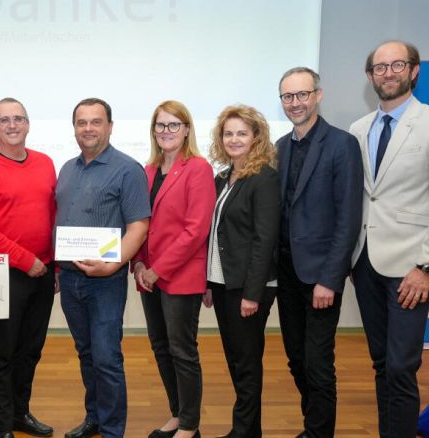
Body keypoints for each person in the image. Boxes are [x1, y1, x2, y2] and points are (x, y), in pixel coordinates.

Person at [349, 40, 429, 437]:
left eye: (397, 65)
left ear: (414, 70)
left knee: (401, 366)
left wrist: (427, 266)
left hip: (410, 267)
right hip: (365, 263)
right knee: (382, 363)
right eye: (379, 67)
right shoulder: (358, 129)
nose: (388, 73)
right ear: (370, 76)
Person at [275, 67, 363, 438]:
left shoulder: (342, 144)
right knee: (296, 359)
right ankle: (313, 426)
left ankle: (319, 433)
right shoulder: (280, 147)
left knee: (318, 363)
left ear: (318, 95)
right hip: (287, 274)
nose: (295, 103)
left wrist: (330, 279)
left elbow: (348, 218)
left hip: (320, 277)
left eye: (302, 94)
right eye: (288, 97)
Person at [56, 98, 150, 438]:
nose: (88, 128)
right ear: (74, 128)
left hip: (105, 283)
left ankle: (112, 430)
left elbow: (139, 227)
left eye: (96, 122)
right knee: (86, 354)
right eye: (81, 122)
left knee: (107, 358)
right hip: (70, 279)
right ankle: (94, 419)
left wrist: (111, 266)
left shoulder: (128, 169)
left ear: (110, 126)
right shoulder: (67, 169)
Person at [0, 97, 56, 438]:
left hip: (44, 272)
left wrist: (53, 265)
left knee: (30, 350)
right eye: (4, 120)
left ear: (28, 124)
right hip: (4, 273)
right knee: (2, 354)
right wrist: (26, 260)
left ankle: (20, 413)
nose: (12, 125)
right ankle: (3, 426)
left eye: (18, 118)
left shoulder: (45, 163)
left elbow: (53, 217)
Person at [132, 100, 215, 438]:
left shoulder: (198, 168)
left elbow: (196, 230)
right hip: (148, 275)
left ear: (187, 129)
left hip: (180, 276)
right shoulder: (148, 170)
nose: (166, 131)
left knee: (182, 351)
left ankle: (191, 425)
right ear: (153, 131)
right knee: (161, 347)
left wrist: (158, 269)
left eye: (173, 125)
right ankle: (178, 415)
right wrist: (139, 261)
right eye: (160, 125)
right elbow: (140, 222)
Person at [205, 105, 280, 438]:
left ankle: (243, 432)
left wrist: (252, 293)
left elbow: (265, 239)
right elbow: (216, 234)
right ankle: (249, 431)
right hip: (224, 283)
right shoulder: (223, 177)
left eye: (242, 133)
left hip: (250, 287)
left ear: (256, 137)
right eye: (228, 133)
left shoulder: (264, 177)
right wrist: (209, 282)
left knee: (247, 363)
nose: (234, 139)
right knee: (236, 359)